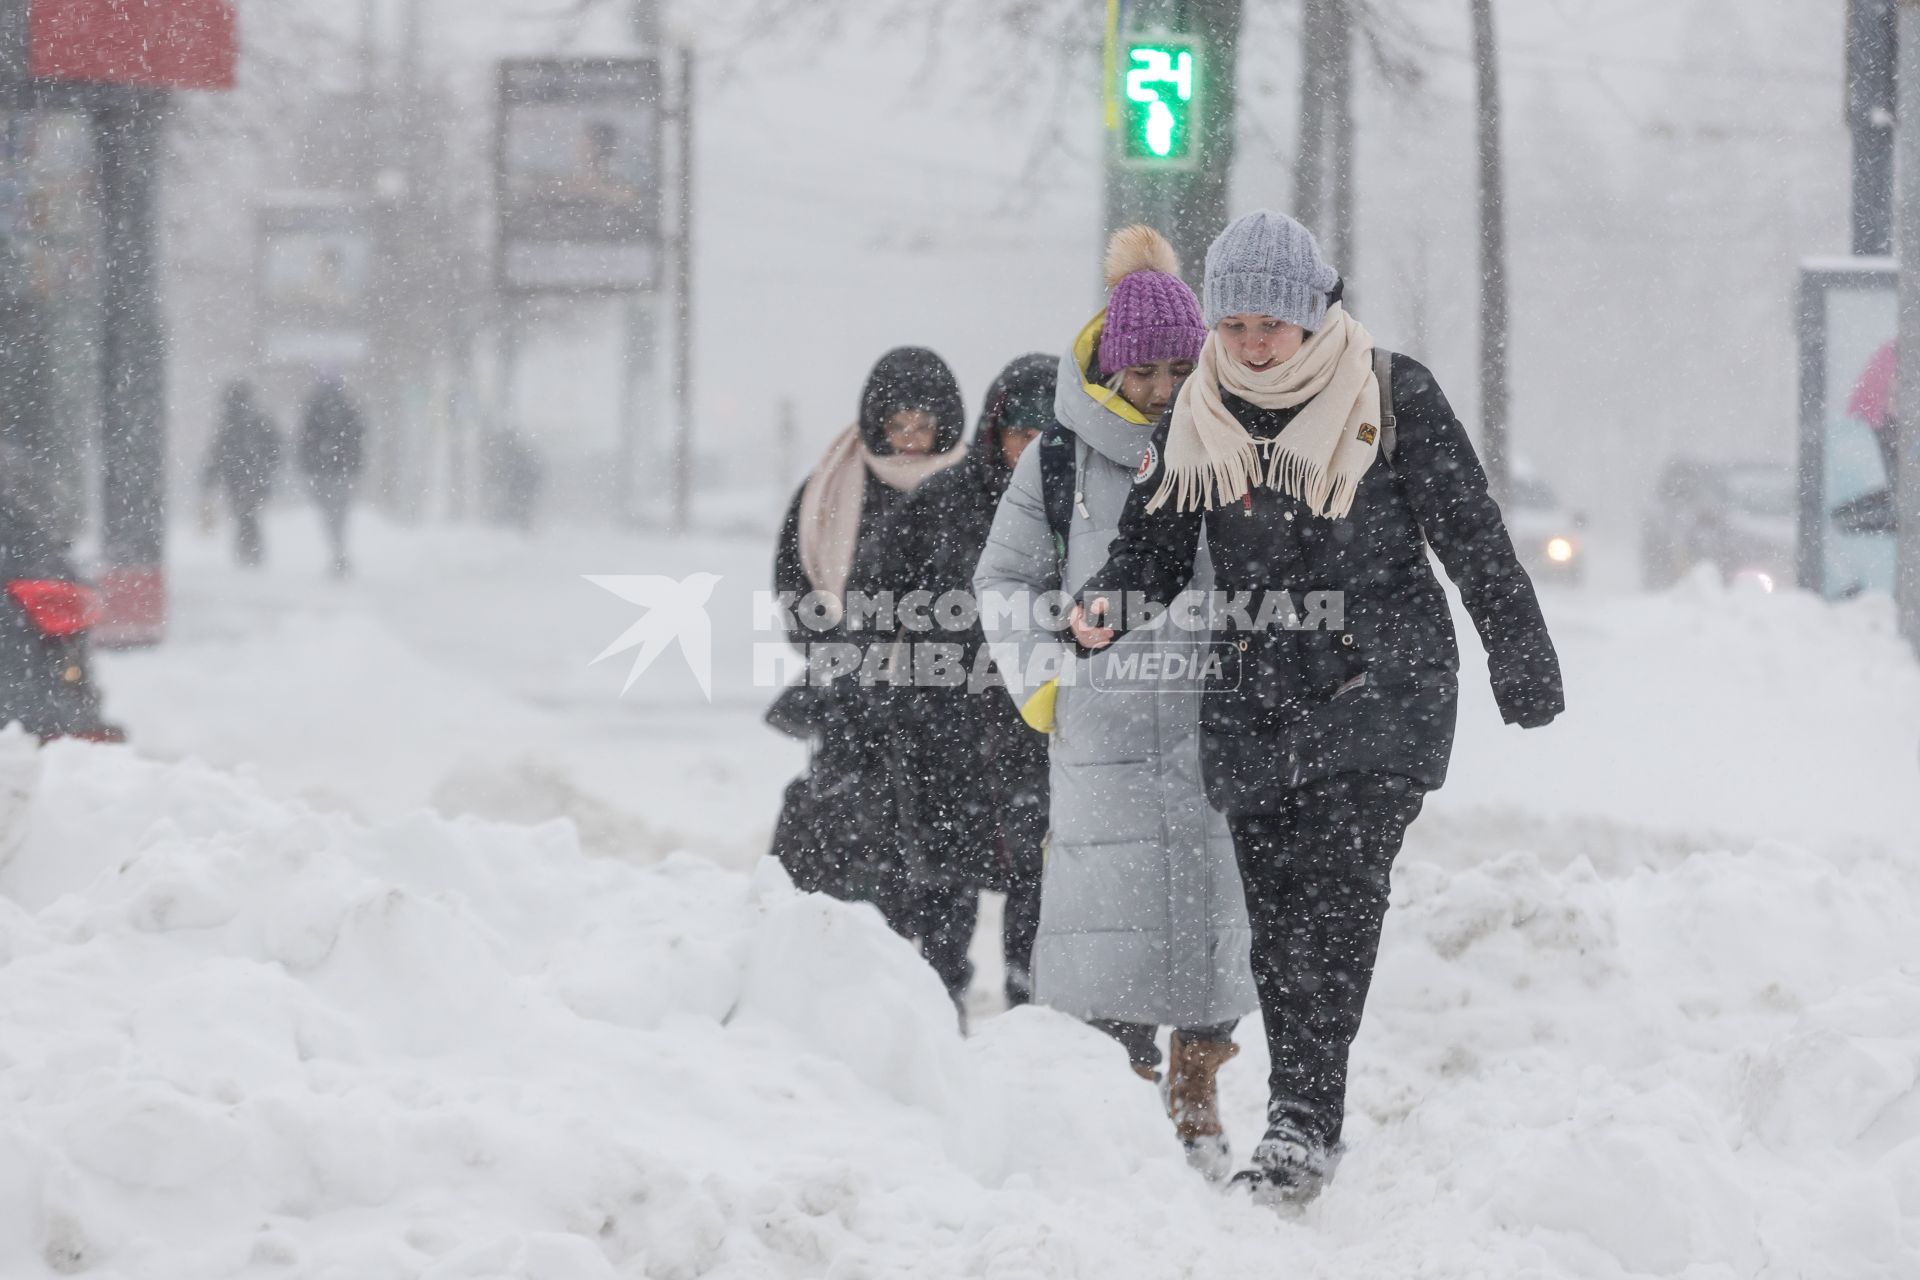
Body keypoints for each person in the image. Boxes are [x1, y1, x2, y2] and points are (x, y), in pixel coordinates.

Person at [1069, 210, 1565, 1202]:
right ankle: (1305, 1112)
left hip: (1384, 682)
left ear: (1314, 313)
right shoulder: (1197, 414)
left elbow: (1469, 530)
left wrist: (1520, 655)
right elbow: (1157, 552)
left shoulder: (1391, 394)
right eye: (1237, 324)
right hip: (1256, 694)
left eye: (1273, 325)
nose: (1253, 344)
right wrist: (1104, 607)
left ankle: (1303, 1119)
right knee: (1281, 918)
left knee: (1337, 898)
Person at [973, 227, 1258, 1179]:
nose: (1167, 388)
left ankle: (1198, 1088)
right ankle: (1121, 1100)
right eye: (1148, 373)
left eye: (1184, 366)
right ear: (1111, 368)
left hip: (1220, 720)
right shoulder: (1056, 463)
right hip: (1104, 727)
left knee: (1220, 925)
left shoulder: (1236, 441)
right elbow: (1003, 580)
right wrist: (1049, 684)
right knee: (1109, 930)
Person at [767, 348, 968, 959]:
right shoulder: (829, 486)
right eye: (897, 426)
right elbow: (795, 587)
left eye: (923, 427)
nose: (909, 442)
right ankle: (849, 965)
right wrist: (846, 659)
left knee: (943, 855)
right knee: (853, 843)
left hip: (944, 705)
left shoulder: (971, 489)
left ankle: (940, 983)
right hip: (852, 705)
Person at [878, 353, 1056, 1011]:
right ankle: (941, 996)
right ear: (994, 429)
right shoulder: (941, 502)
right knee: (944, 875)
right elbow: (876, 595)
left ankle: (1028, 997)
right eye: (1020, 430)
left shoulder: (1083, 512)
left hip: (1039, 723)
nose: (1030, 446)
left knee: (1038, 874)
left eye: (1047, 432)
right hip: (943, 724)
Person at [201, 380, 282, 567]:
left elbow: (217, 453)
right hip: (256, 476)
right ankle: (251, 549)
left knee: (243, 514)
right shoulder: (260, 420)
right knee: (249, 514)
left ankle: (247, 549)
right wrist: (267, 468)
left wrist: (209, 479)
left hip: (235, 477)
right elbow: (275, 448)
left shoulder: (228, 423)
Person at [298, 375, 366, 578]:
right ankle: (339, 549)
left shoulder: (313, 410)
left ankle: (336, 548)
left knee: (328, 513)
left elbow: (305, 441)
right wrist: (354, 463)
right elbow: (359, 435)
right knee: (340, 512)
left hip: (321, 471)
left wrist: (308, 465)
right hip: (342, 470)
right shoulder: (348, 409)